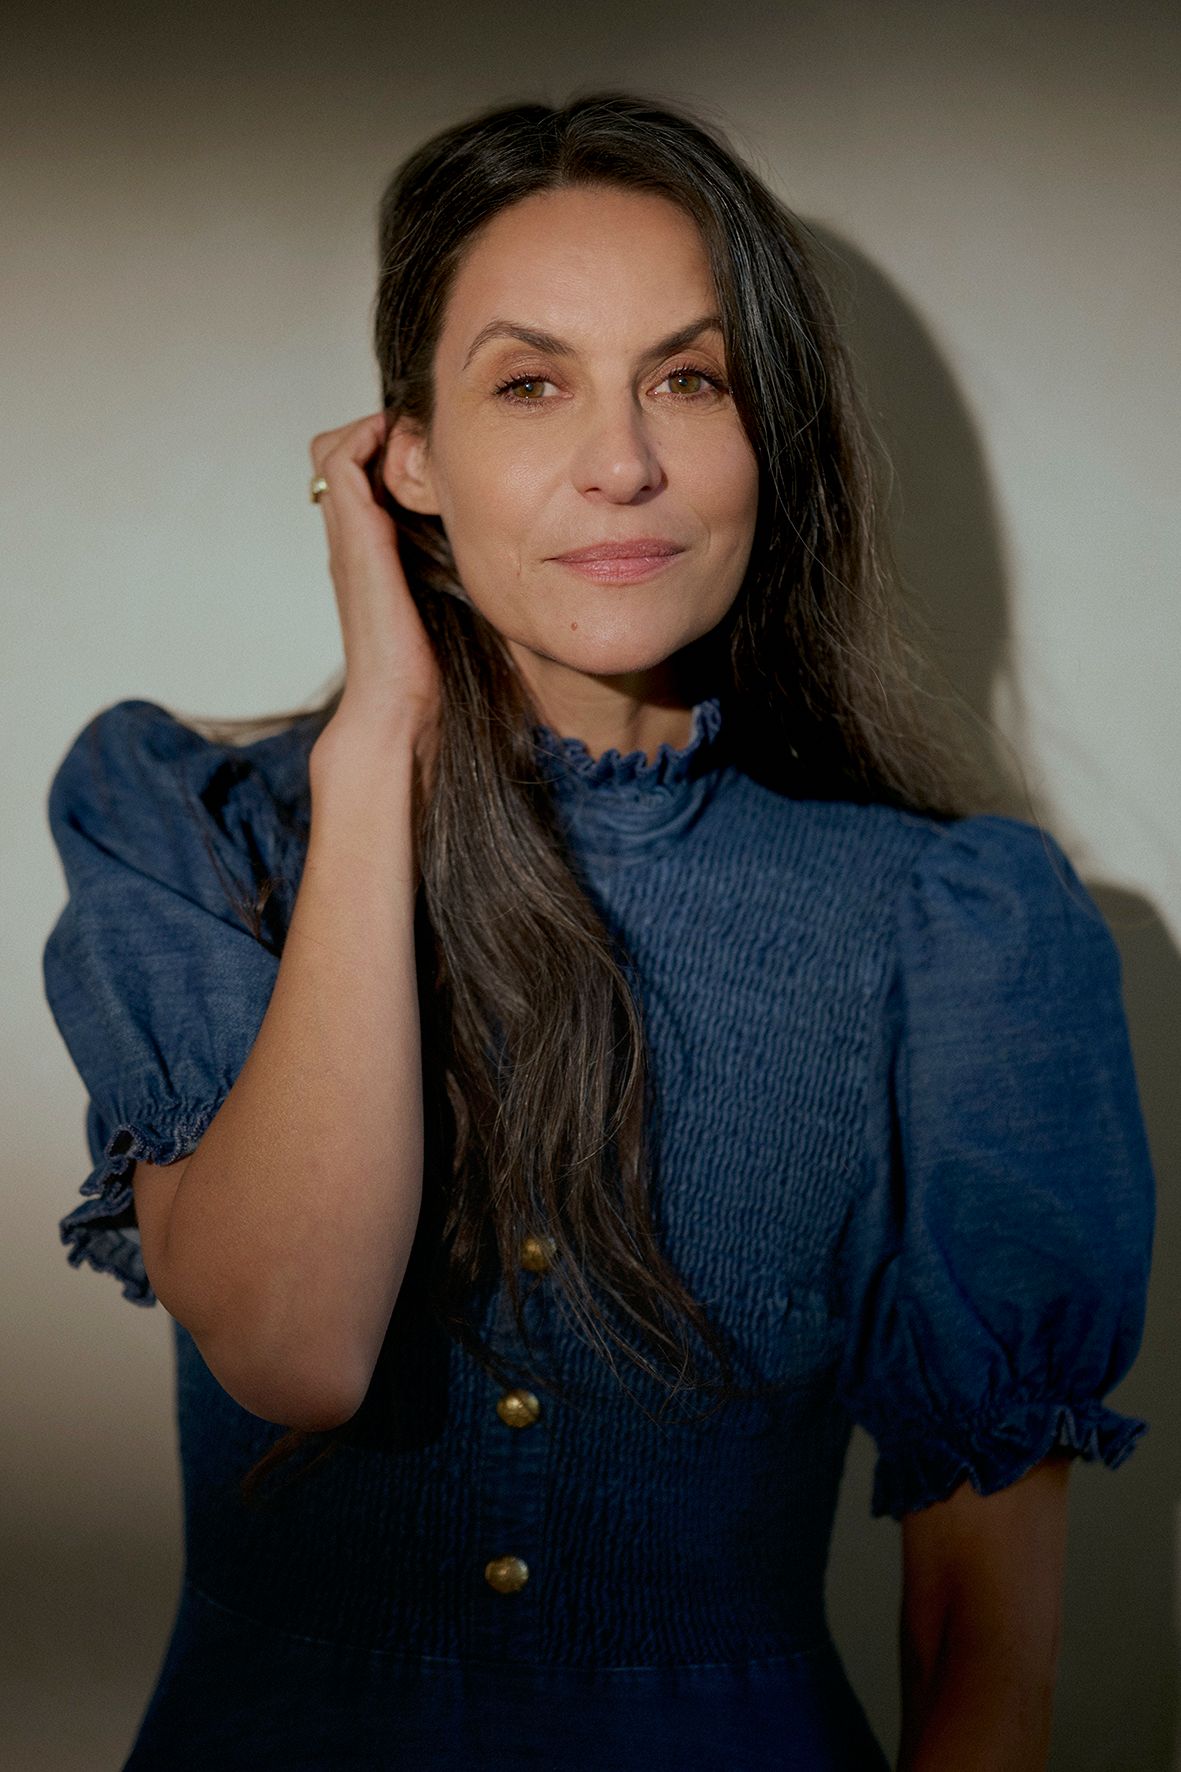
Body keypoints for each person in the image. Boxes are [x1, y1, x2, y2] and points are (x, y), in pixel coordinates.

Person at [41, 90, 1156, 1772]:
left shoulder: (956, 934)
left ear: (770, 440)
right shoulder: (196, 834)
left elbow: (983, 1665)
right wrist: (376, 746)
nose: (622, 462)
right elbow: (294, 1346)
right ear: (404, 456)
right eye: (529, 383)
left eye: (690, 381)